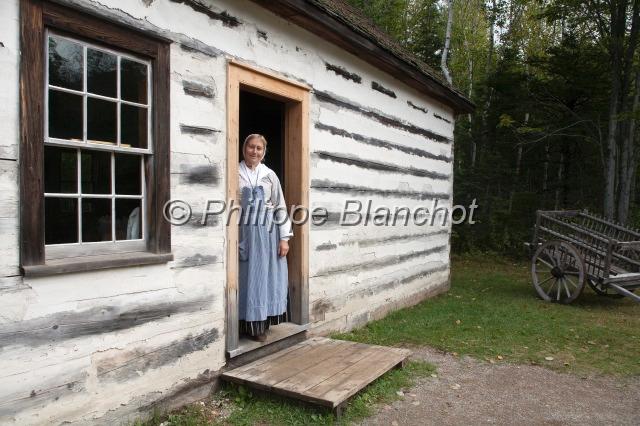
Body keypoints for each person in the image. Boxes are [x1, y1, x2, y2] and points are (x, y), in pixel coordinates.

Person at [238, 133, 293, 342]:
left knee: (265, 277)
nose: (254, 151)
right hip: (244, 232)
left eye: (259, 148)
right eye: (251, 147)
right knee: (246, 277)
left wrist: (284, 238)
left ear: (264, 151)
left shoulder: (269, 175)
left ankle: (259, 326)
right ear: (244, 148)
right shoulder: (235, 172)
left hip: (269, 234)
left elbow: (280, 206)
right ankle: (242, 322)